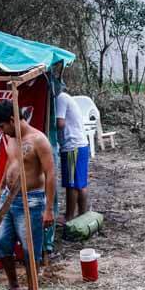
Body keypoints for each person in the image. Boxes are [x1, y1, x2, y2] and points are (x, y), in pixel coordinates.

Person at [0, 100, 55, 290]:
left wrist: (48, 210)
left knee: (30, 250)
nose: (1, 131)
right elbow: (11, 162)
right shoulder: (11, 138)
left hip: (32, 200)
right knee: (0, 243)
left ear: (12, 120)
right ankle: (14, 286)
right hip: (9, 198)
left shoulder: (38, 140)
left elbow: (51, 173)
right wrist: (1, 186)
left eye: (2, 126)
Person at [56, 89, 90, 222]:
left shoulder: (60, 98)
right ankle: (83, 215)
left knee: (71, 184)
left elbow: (60, 123)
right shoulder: (66, 97)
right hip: (80, 145)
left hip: (72, 147)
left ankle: (69, 217)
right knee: (80, 184)